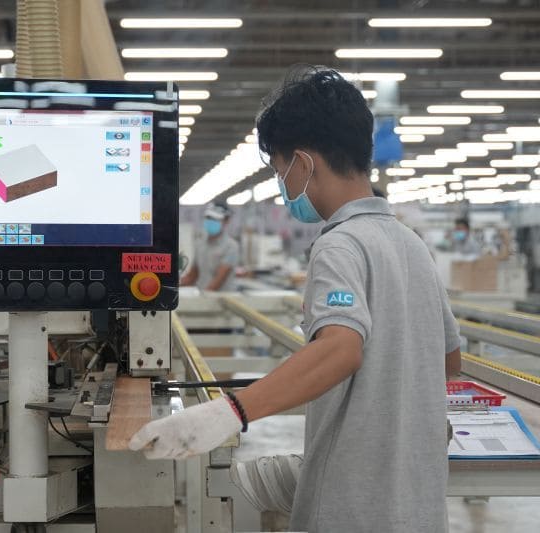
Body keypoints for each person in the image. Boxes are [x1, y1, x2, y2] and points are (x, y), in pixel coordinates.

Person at [130, 67, 461, 533]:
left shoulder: (339, 244)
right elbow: (449, 359)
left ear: (303, 163)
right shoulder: (411, 245)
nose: (282, 182)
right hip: (419, 507)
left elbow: (341, 348)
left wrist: (230, 411)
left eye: (280, 168)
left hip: (350, 511)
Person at [180, 203, 240, 291]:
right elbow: (191, 277)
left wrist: (200, 299)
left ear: (226, 221)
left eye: (216, 219)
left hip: (222, 300)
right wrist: (169, 285)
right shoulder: (200, 244)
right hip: (203, 298)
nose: (211, 221)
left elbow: (217, 282)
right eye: (209, 218)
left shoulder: (231, 247)